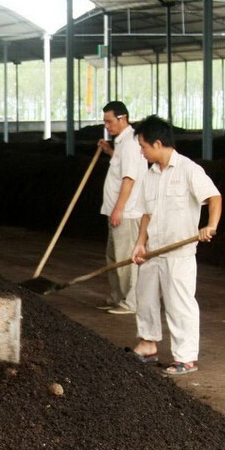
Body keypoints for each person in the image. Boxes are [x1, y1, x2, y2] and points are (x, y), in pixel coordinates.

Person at [127, 115, 221, 376]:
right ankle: (148, 344)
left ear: (157, 144)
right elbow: (147, 213)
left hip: (179, 253)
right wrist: (139, 243)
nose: (142, 152)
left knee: (179, 303)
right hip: (153, 250)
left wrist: (210, 226)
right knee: (144, 298)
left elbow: (214, 197)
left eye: (143, 146)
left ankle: (186, 358)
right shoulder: (150, 175)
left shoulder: (188, 170)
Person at [95, 101, 146, 315]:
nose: (107, 126)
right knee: (114, 257)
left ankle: (131, 302)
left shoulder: (132, 143)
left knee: (127, 259)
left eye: (109, 121)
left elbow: (129, 178)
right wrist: (109, 151)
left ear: (122, 118)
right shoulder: (122, 144)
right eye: (105, 121)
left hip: (126, 212)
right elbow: (122, 166)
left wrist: (119, 209)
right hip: (115, 211)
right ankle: (116, 297)